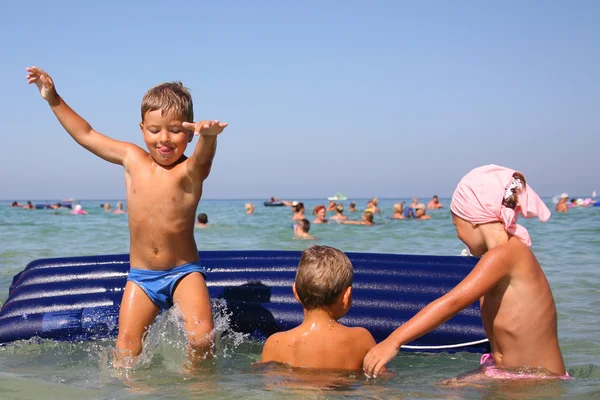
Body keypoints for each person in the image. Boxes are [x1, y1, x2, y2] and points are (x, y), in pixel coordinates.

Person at [27, 66, 226, 368]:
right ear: (142, 128)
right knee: (126, 349)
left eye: (175, 130)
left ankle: (197, 387)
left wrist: (209, 138)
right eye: (155, 129)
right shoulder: (132, 159)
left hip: (184, 273)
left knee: (202, 339)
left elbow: (203, 158)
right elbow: (86, 134)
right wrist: (53, 98)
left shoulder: (189, 171)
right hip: (142, 278)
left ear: (188, 132)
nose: (164, 138)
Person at [363, 165, 567, 379]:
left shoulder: (506, 255)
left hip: (540, 379)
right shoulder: (501, 255)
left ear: (473, 219)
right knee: (447, 388)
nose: (458, 234)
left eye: (455, 225)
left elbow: (453, 302)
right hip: (507, 372)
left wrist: (393, 341)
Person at [261, 246, 377, 370]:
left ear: (296, 292)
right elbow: (381, 377)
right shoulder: (361, 339)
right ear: (346, 296)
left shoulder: (276, 343)